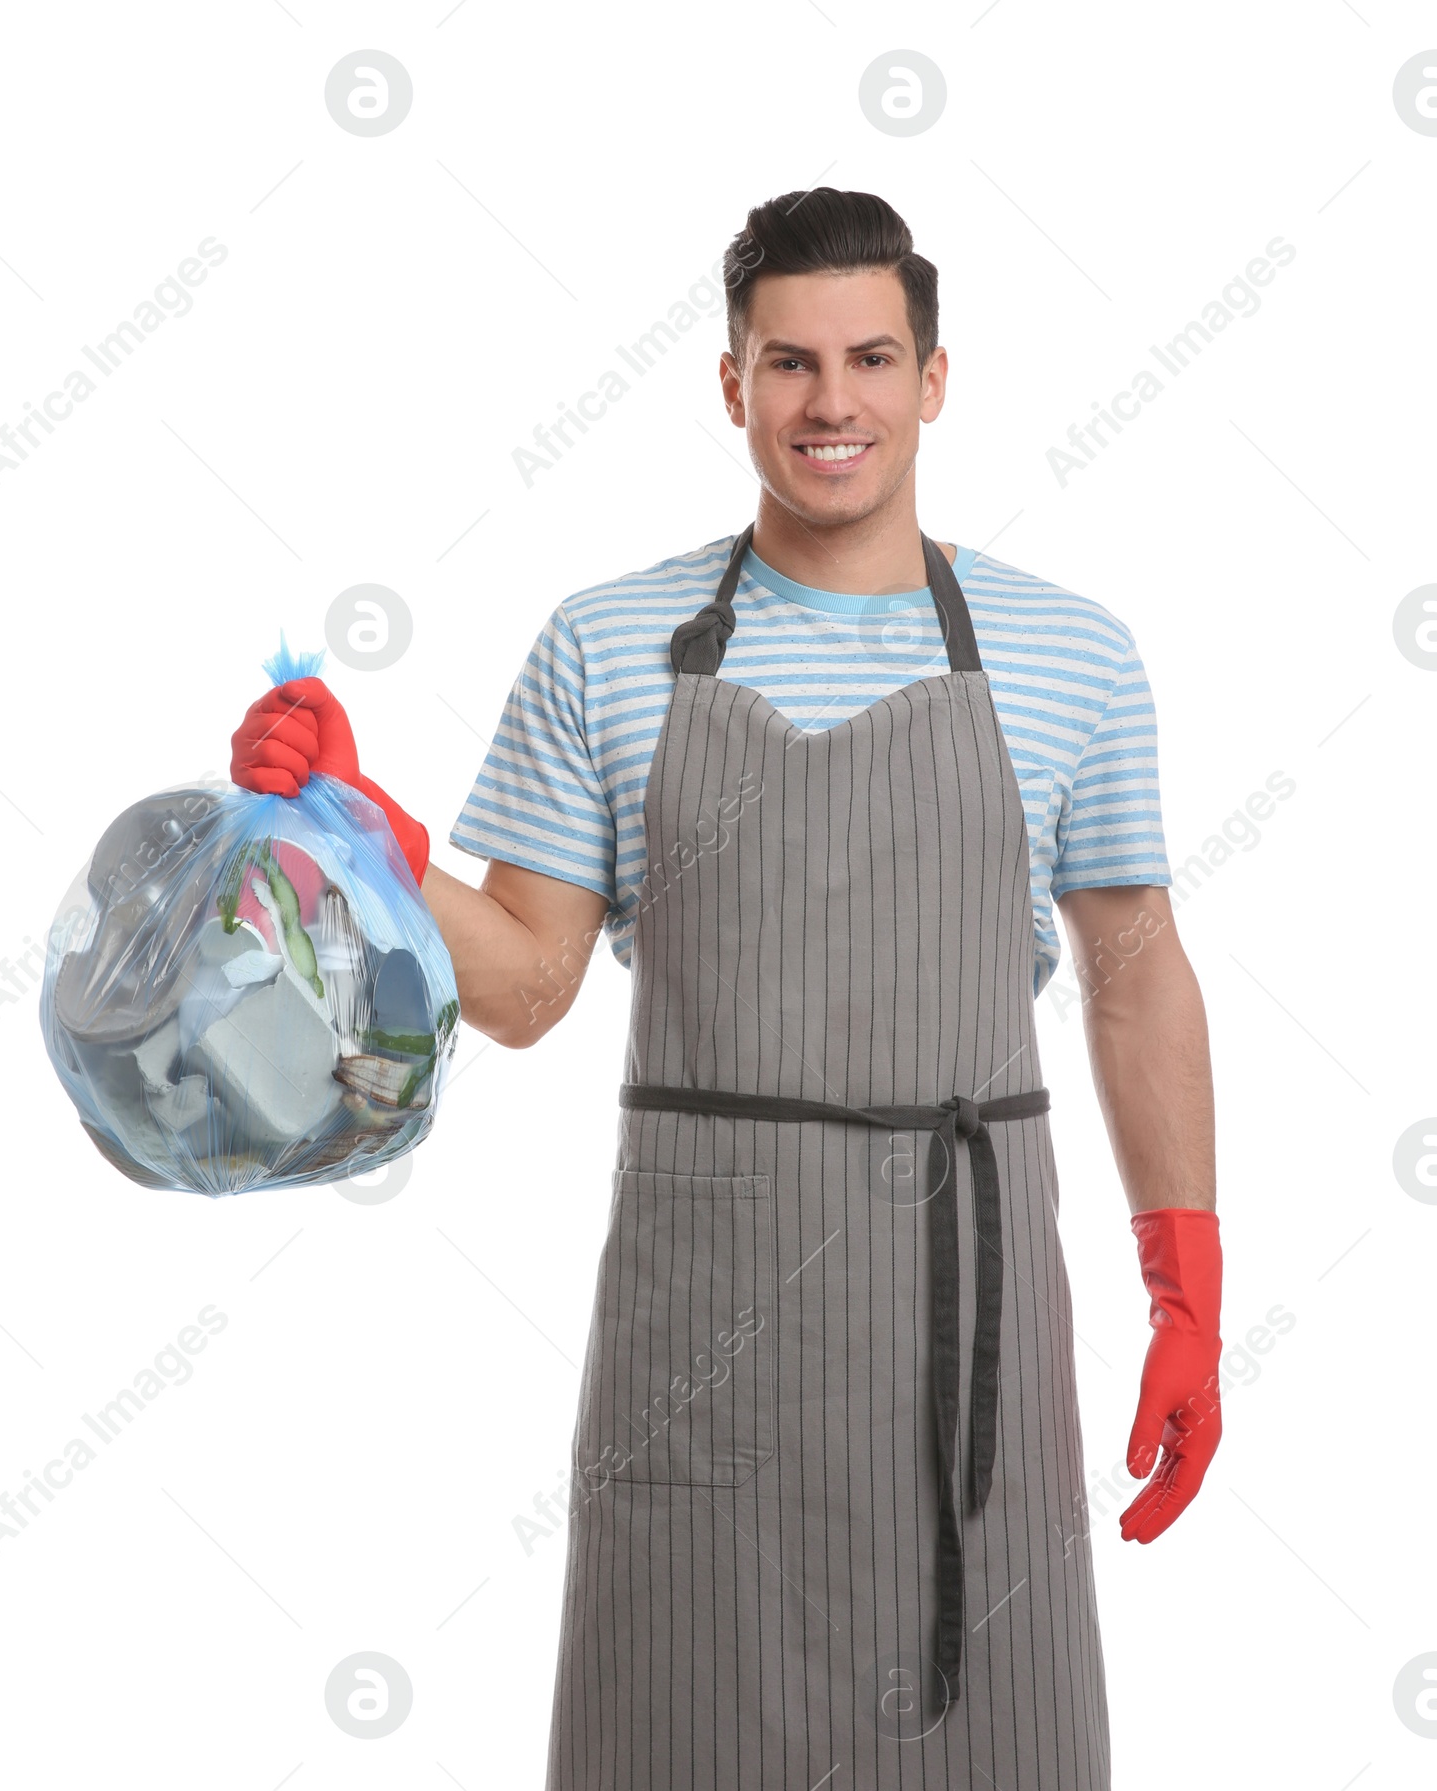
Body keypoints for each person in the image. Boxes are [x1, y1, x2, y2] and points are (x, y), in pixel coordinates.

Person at [231, 187, 1223, 1790]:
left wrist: (1188, 1287)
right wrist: (380, 835)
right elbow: (531, 987)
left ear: (936, 379)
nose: (833, 403)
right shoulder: (610, 644)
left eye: (872, 358)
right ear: (732, 383)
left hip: (961, 1323)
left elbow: (1135, 975)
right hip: (709, 1331)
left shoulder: (1069, 655)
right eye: (790, 363)